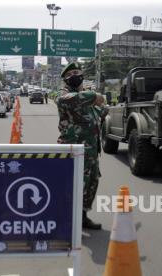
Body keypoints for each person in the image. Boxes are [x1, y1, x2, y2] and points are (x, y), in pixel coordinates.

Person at [56, 62, 107, 230]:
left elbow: (99, 113)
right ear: (65, 79)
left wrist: (104, 108)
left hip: (91, 152)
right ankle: (68, 220)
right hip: (75, 150)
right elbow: (65, 100)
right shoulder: (66, 95)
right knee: (74, 186)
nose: (74, 76)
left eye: (77, 72)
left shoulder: (86, 100)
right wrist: (94, 96)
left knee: (91, 184)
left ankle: (82, 216)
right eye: (70, 74)